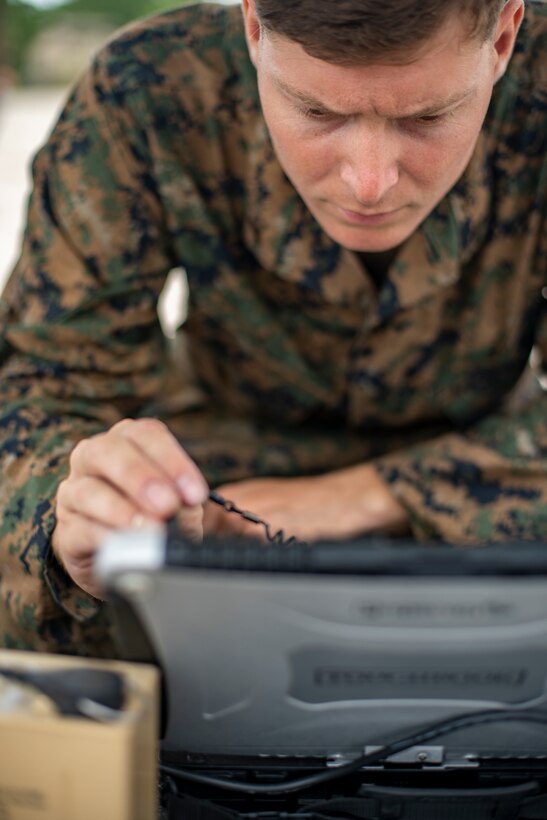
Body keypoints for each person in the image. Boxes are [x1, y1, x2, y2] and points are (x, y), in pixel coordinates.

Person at [0, 0, 545, 656]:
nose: (368, 183)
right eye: (316, 111)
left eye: (427, 115)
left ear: (503, 38)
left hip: (498, 480)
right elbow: (45, 388)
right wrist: (71, 521)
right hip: (211, 499)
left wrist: (366, 497)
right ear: (254, 28)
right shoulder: (149, 86)